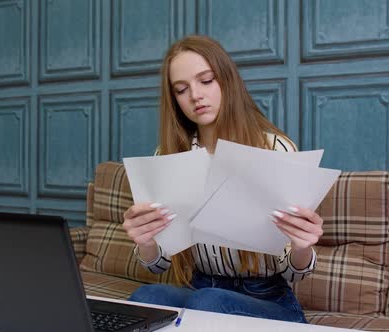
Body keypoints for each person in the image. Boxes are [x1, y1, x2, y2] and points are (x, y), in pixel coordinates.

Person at [122, 35, 324, 323]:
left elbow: (295, 271)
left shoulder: (275, 148)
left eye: (206, 80)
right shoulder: (168, 156)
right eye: (182, 89)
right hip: (200, 287)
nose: (195, 95)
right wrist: (146, 242)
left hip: (267, 297)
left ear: (226, 81)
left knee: (209, 301)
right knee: (147, 298)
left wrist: (302, 245)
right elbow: (158, 265)